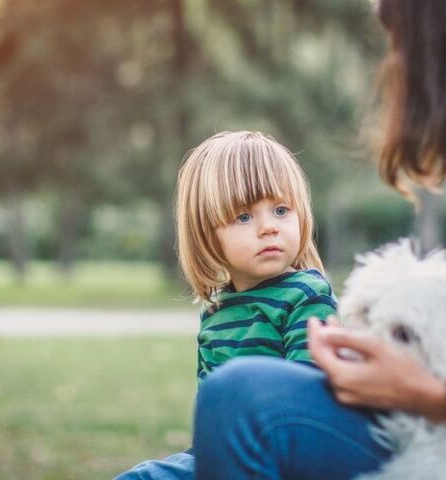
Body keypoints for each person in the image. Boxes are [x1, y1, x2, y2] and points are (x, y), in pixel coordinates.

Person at [193, 1, 446, 479]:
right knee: (229, 404)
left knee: (243, 399)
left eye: (405, 43)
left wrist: (430, 396)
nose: (394, 69)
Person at [116, 131, 340, 479]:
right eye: (244, 217)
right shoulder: (215, 314)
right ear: (207, 234)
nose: (268, 228)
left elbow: (309, 402)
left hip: (286, 457)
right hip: (224, 456)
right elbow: (213, 417)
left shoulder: (306, 295)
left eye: (281, 210)